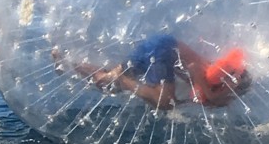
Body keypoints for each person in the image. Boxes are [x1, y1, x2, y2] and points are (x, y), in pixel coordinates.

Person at [53, 33, 251, 110]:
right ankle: (123, 80)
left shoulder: (216, 85)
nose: (230, 101)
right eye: (233, 96)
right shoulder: (215, 75)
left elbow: (186, 76)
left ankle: (68, 61)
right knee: (165, 102)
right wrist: (210, 93)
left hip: (157, 45)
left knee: (107, 85)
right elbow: (193, 68)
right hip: (164, 49)